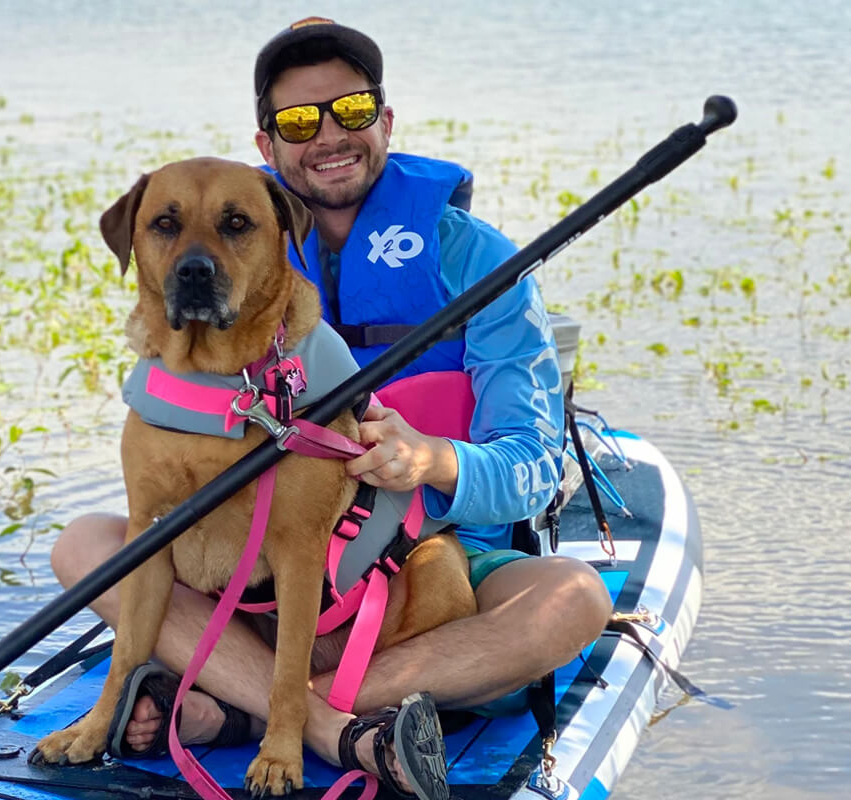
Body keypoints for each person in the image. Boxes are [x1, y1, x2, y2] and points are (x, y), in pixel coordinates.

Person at [49, 17, 612, 799]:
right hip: (243, 575)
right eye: (297, 121)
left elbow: (536, 467)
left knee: (575, 597)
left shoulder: (480, 260)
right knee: (85, 544)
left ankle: (255, 703)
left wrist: (432, 460)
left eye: (350, 110)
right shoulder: (233, 223)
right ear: (267, 142)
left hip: (432, 554)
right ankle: (320, 722)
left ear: (385, 120)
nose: (327, 136)